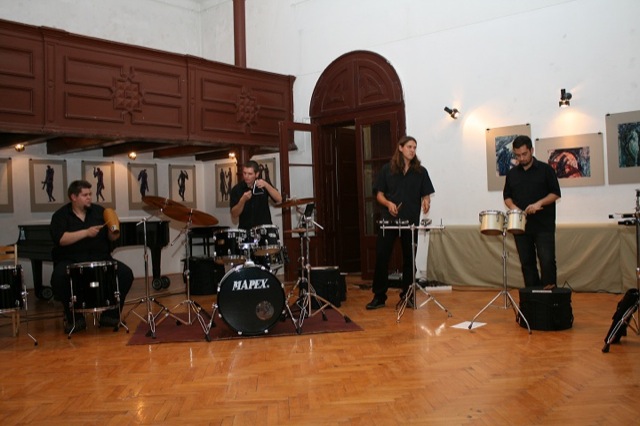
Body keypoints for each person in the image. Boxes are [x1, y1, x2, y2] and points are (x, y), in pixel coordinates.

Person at [50, 180, 134, 334]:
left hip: (100, 257)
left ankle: (110, 315)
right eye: (85, 195)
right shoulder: (60, 216)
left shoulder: (99, 212)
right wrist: (86, 233)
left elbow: (112, 238)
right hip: (72, 259)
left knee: (125, 274)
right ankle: (74, 318)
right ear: (73, 197)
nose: (89, 197)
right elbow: (60, 239)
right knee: (58, 277)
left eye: (90, 194)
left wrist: (113, 232)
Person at [366, 136, 435, 310]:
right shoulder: (387, 169)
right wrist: (388, 203)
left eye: (414, 147)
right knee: (382, 257)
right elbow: (379, 194)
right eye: (409, 147)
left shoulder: (421, 171)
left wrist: (426, 201)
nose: (412, 150)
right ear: (401, 148)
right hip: (389, 221)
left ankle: (407, 295)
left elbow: (426, 193)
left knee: (409, 259)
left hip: (410, 221)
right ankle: (379, 296)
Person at [503, 135, 561, 289]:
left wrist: (539, 203)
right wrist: (515, 209)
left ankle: (549, 298)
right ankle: (532, 298)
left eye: (524, 154)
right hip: (521, 227)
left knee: (547, 261)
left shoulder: (546, 170)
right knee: (527, 263)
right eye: (517, 155)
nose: (521, 158)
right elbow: (507, 197)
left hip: (543, 225)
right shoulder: (512, 174)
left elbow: (555, 193)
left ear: (531, 150)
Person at [230, 160, 282, 230]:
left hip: (264, 229)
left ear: (257, 174)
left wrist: (266, 185)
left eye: (250, 174)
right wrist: (243, 200)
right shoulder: (237, 189)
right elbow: (234, 214)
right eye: (244, 173)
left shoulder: (263, 184)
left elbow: (279, 199)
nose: (246, 176)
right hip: (246, 230)